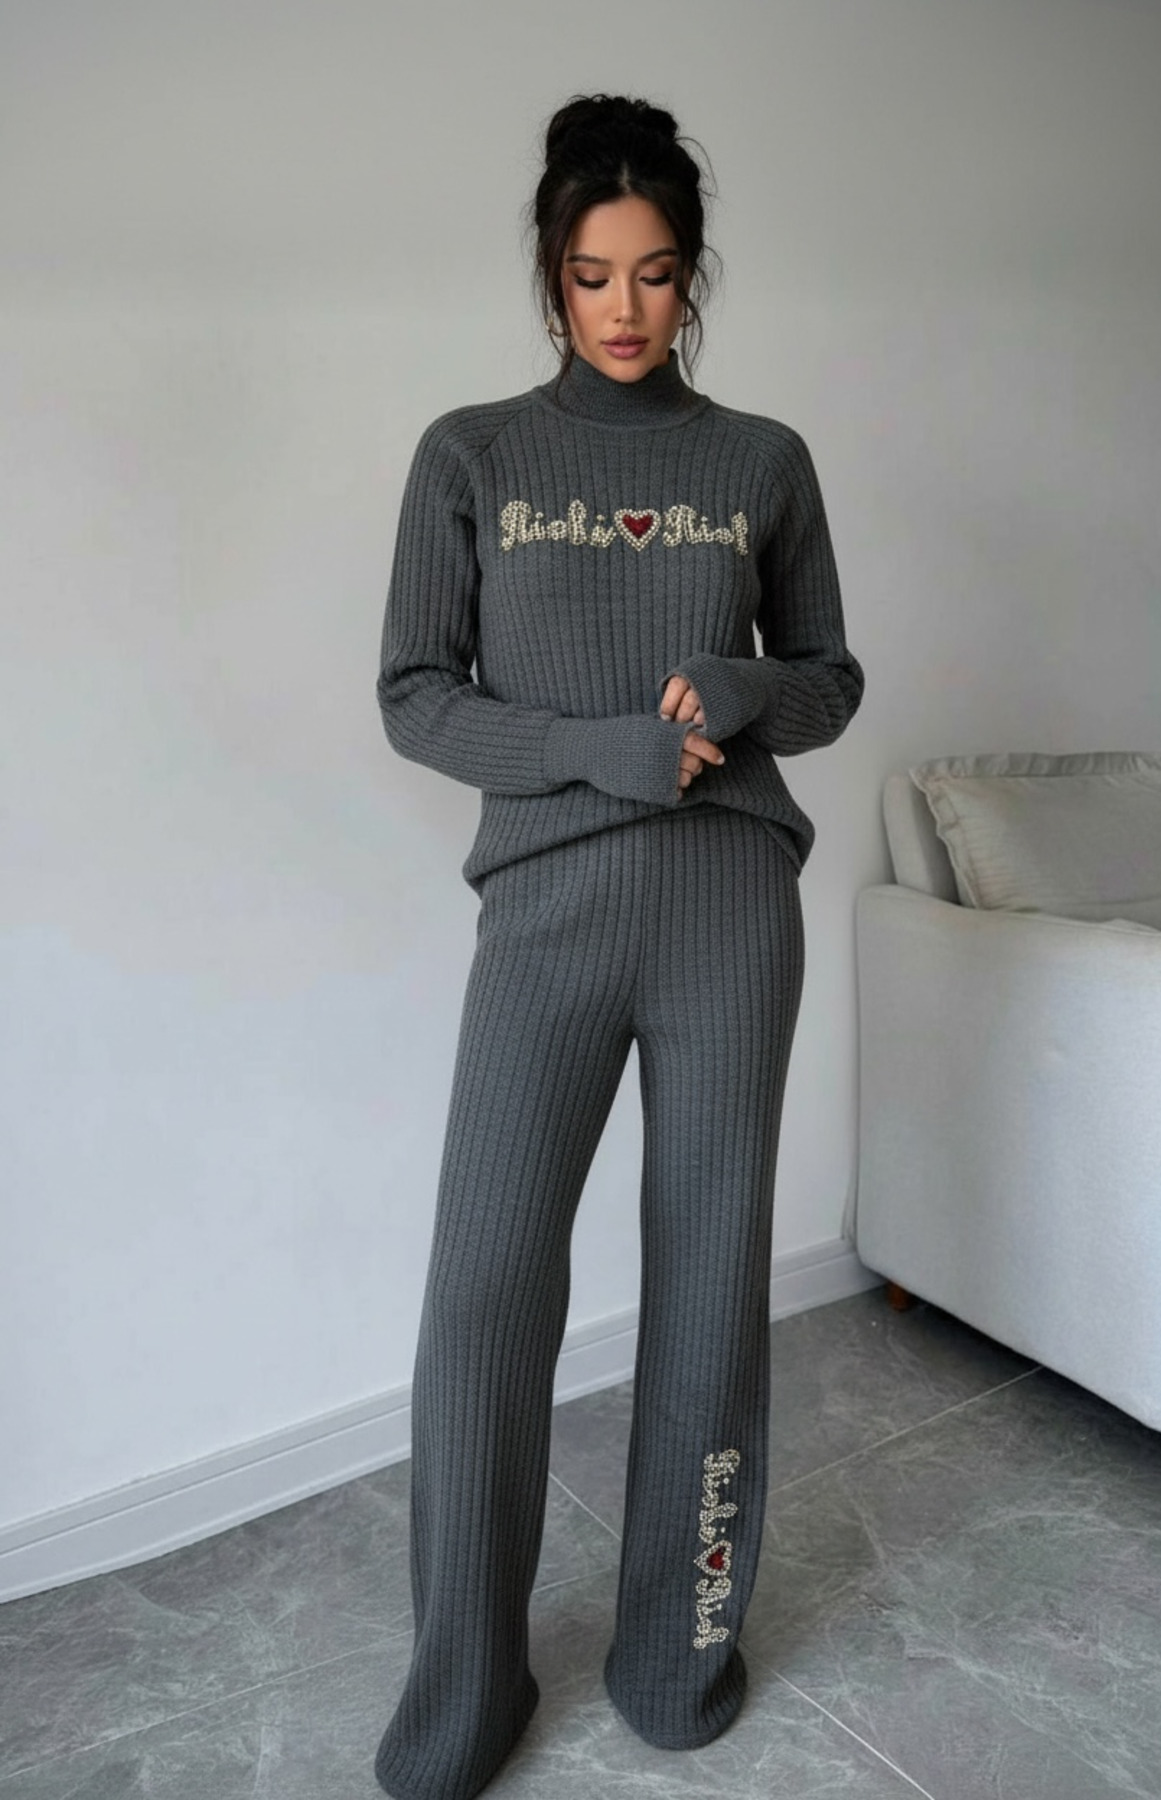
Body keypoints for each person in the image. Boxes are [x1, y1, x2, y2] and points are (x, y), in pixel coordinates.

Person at [371, 92, 865, 1800]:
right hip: (550, 909)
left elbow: (830, 680)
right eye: (592, 275)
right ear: (551, 277)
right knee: (485, 1296)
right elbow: (415, 695)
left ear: (691, 276)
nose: (625, 307)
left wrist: (742, 688)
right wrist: (599, 748)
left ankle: (679, 1652)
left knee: (710, 1289)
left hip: (729, 911)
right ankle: (464, 1693)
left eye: (654, 273)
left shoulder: (762, 462)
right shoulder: (472, 455)